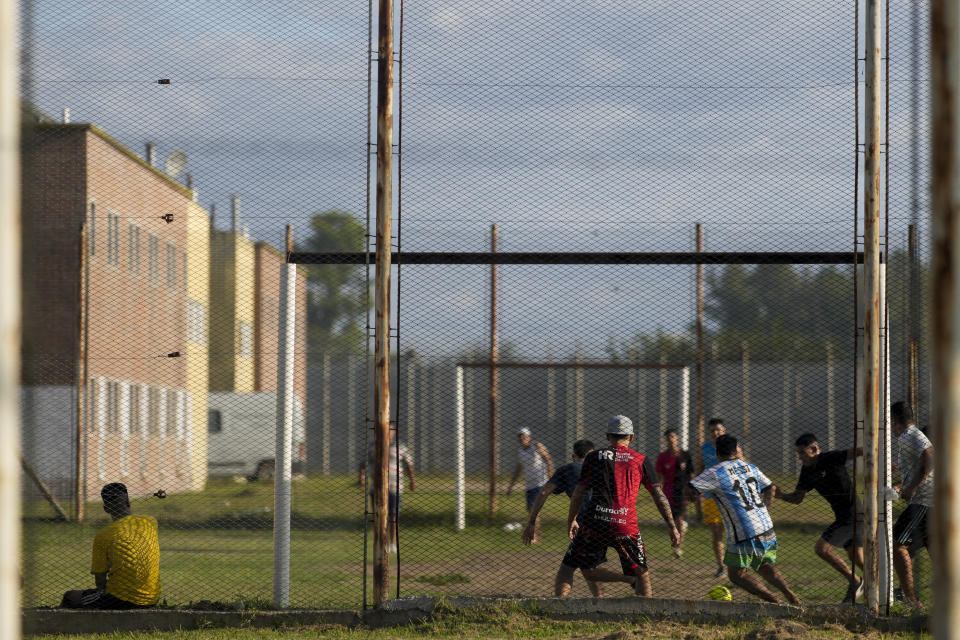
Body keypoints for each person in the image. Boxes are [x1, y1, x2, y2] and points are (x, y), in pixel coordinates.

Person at [564, 415, 680, 597]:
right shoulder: (640, 460)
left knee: (587, 569)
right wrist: (672, 525)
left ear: (607, 436)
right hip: (625, 525)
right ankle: (647, 614)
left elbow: (579, 492)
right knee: (643, 575)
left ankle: (627, 581)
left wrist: (572, 519)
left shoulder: (594, 457)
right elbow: (659, 495)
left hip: (595, 523)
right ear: (631, 437)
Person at [690, 434, 801, 605]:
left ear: (717, 453)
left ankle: (774, 601)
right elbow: (770, 487)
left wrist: (690, 496)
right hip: (765, 526)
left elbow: (690, 490)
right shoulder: (750, 467)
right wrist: (765, 508)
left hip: (744, 531)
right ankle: (790, 594)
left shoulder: (715, 473)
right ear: (736, 450)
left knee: (736, 574)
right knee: (763, 565)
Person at [775, 433, 864, 603]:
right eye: (798, 454)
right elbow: (797, 498)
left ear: (814, 449)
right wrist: (781, 495)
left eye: (802, 453)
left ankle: (855, 581)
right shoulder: (807, 471)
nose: (800, 457)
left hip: (853, 514)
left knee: (821, 549)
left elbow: (861, 451)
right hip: (843, 516)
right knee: (856, 557)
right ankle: (878, 585)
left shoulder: (831, 457)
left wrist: (885, 464)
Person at [60, 483, 160, 609]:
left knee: (69, 597)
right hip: (152, 598)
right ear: (128, 502)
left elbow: (100, 582)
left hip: (120, 600)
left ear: (105, 508)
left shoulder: (103, 536)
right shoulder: (150, 522)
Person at [522, 439, 602, 597]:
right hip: (607, 521)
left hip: (582, 526)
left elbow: (544, 492)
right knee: (585, 567)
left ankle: (560, 604)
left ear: (573, 456)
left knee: (567, 571)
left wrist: (531, 522)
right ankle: (599, 599)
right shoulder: (600, 468)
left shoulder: (567, 470)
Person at [890, 401, 934, 610]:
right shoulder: (910, 436)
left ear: (894, 420)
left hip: (924, 501)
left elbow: (930, 460)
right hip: (929, 502)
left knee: (898, 544)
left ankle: (913, 602)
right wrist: (901, 486)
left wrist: (913, 488)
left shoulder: (909, 436)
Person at [359, 429, 416, 553]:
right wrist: (362, 476)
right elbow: (363, 463)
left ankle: (393, 543)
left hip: (395, 487)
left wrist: (412, 480)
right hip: (377, 487)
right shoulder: (373, 446)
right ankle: (380, 542)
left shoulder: (400, 447)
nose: (387, 432)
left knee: (393, 516)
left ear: (394, 432)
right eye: (385, 430)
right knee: (378, 516)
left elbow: (409, 464)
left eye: (390, 430)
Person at [506, 427, 554, 543]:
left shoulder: (537, 446)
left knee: (534, 510)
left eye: (524, 435)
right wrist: (511, 486)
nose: (522, 438)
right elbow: (518, 470)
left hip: (540, 482)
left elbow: (548, 459)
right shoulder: (520, 452)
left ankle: (534, 537)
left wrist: (551, 476)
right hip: (529, 485)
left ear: (529, 437)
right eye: (520, 436)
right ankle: (537, 535)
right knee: (531, 510)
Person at [655, 428, 693, 558]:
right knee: (671, 522)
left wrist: (692, 489)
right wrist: (658, 492)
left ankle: (678, 548)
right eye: (668, 437)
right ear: (666, 440)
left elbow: (691, 474)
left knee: (680, 520)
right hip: (668, 493)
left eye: (673, 436)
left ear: (677, 438)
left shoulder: (685, 455)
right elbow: (659, 477)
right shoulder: (663, 457)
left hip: (682, 492)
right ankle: (676, 543)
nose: (671, 439)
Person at [699, 418, 728, 577]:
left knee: (733, 532)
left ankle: (738, 564)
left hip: (730, 496)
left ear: (724, 430)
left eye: (718, 429)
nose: (715, 433)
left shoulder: (732, 446)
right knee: (716, 532)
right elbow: (699, 469)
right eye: (712, 430)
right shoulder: (704, 448)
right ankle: (721, 566)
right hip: (711, 496)